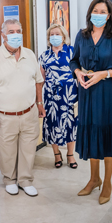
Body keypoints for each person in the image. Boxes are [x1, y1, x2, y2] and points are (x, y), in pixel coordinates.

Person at [69, 0, 112, 205]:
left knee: (106, 133)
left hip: (106, 92)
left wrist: (104, 74)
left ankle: (107, 182)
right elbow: (74, 60)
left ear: (108, 15)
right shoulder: (82, 35)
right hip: (86, 91)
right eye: (94, 10)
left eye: (102, 11)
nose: (98, 14)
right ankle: (94, 178)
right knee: (91, 131)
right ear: (90, 13)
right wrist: (78, 72)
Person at [0, 19, 45, 196]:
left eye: (18, 30)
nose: (16, 34)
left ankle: (25, 180)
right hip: (4, 115)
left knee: (28, 148)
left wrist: (39, 103)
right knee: (6, 150)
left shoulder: (30, 54)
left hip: (29, 112)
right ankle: (9, 179)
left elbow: (39, 81)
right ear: (3, 35)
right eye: (11, 31)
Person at [39, 24, 78, 169]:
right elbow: (40, 79)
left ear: (64, 36)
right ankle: (56, 154)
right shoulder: (44, 55)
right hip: (50, 97)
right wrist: (39, 101)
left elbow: (80, 73)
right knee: (52, 124)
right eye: (52, 34)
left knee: (70, 125)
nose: (55, 36)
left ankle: (70, 154)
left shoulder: (73, 52)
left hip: (69, 96)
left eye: (58, 34)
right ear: (49, 37)